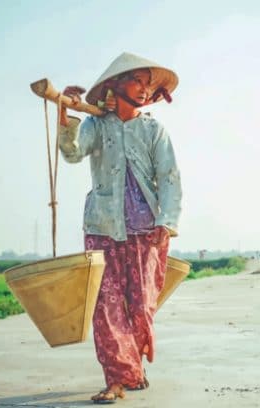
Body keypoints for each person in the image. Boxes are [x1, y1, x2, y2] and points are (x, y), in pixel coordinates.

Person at [58, 52, 182, 404]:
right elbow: (72, 153)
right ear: (115, 86)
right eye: (136, 81)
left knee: (141, 306)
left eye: (147, 84)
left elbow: (169, 178)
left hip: (145, 230)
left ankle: (133, 368)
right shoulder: (96, 126)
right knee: (106, 308)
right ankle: (116, 379)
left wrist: (166, 223)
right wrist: (66, 114)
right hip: (102, 227)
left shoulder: (153, 130)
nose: (143, 90)